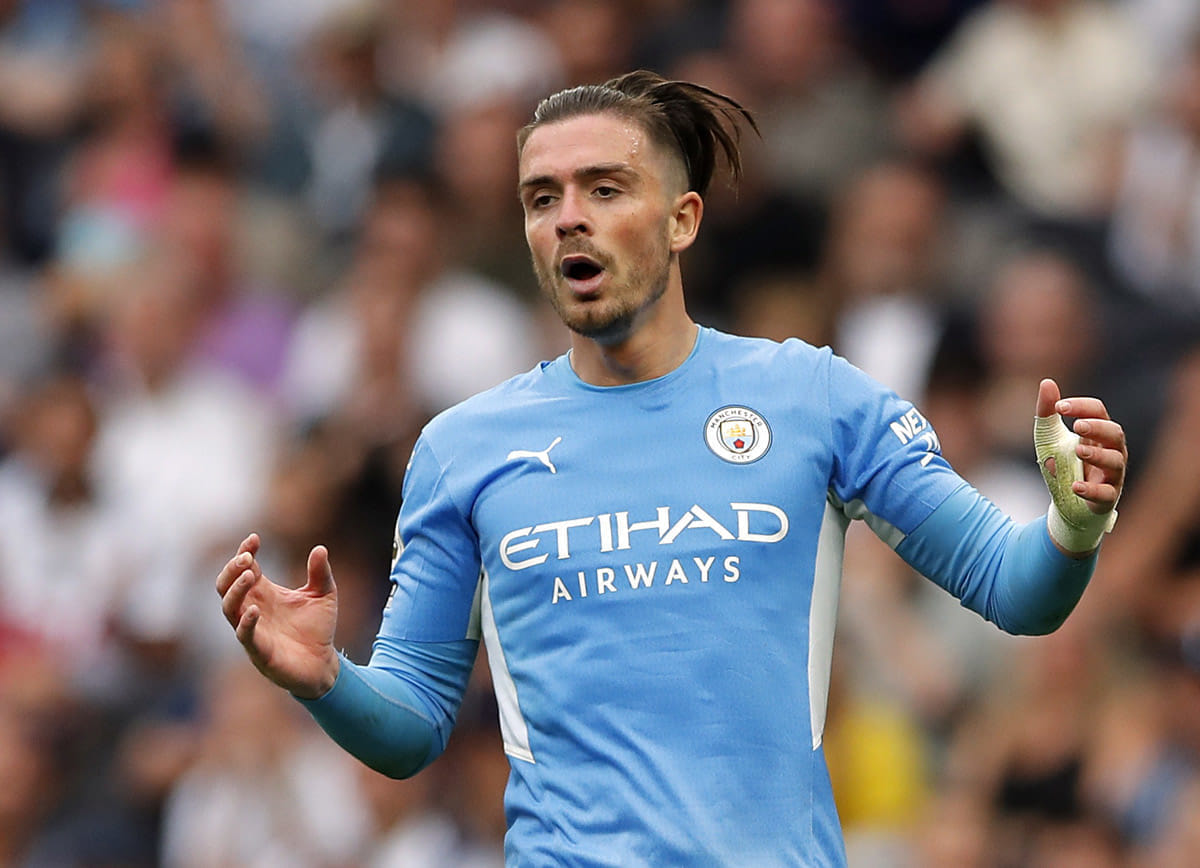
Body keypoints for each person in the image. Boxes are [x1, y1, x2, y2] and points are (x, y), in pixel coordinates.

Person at [216, 70, 1127, 866]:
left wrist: (1075, 522)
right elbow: (413, 724)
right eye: (541, 198)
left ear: (683, 218)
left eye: (604, 188)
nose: (569, 217)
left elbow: (1014, 589)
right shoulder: (463, 449)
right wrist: (325, 679)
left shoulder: (813, 398)